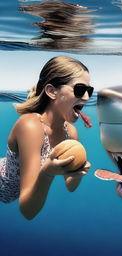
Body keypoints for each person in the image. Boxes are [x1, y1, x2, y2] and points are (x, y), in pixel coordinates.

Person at [0, 56, 93, 220]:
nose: (86, 97)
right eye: (79, 89)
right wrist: (47, 173)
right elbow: (28, 211)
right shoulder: (30, 126)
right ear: (51, 91)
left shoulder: (70, 132)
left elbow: (70, 185)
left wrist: (79, 171)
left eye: (89, 90)